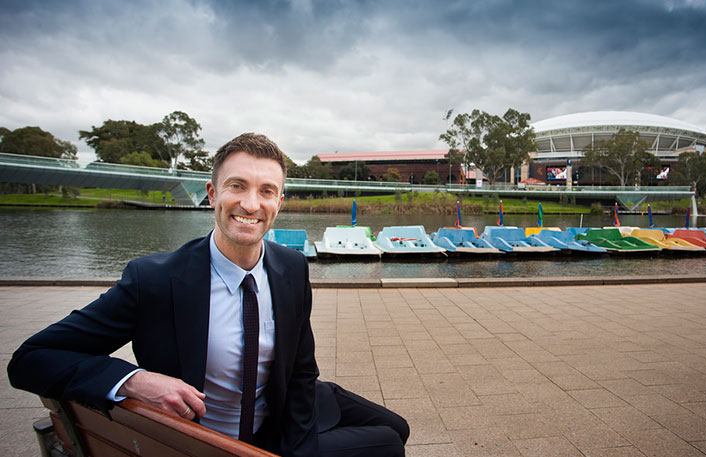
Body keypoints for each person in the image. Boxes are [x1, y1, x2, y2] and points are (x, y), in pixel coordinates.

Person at [7, 133, 408, 457]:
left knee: (398, 427)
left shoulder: (291, 268)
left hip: (281, 409)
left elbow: (301, 370)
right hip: (212, 438)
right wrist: (133, 380)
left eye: (267, 191)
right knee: (387, 444)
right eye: (237, 186)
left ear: (280, 202)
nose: (251, 204)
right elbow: (30, 360)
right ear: (212, 194)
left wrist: (297, 445)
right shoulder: (155, 279)